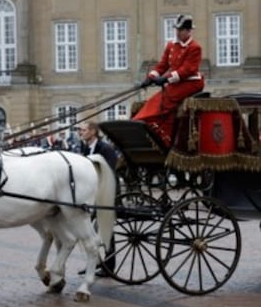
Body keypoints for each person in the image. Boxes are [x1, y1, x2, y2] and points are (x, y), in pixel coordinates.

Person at [133, 14, 205, 146]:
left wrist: (166, 79)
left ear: (188, 31)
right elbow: (163, 64)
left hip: (191, 82)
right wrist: (151, 77)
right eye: (176, 29)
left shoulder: (194, 47)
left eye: (181, 30)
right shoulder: (171, 45)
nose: (177, 32)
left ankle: (153, 126)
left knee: (166, 100)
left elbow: (187, 70)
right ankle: (145, 122)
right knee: (159, 98)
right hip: (177, 81)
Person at [77, 120, 119, 277]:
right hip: (91, 194)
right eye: (80, 130)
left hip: (106, 192)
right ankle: (93, 263)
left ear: (93, 132)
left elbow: (109, 172)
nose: (80, 132)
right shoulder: (85, 147)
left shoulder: (105, 148)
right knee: (88, 231)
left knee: (106, 230)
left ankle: (109, 267)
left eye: (83, 130)